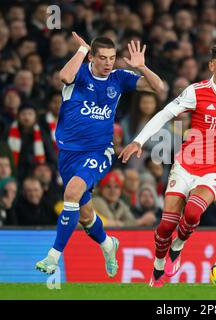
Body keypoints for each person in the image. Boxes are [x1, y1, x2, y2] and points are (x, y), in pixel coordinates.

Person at [119, 41, 216, 286]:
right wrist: (138, 141)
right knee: (166, 225)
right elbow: (164, 114)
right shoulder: (196, 91)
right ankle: (159, 266)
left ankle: (178, 248)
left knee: (192, 212)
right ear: (212, 66)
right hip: (186, 164)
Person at [35, 32, 164, 277]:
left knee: (71, 192)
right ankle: (108, 244)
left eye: (112, 58)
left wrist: (142, 67)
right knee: (85, 217)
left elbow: (159, 88)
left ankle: (53, 257)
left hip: (99, 150)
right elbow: (64, 76)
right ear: (91, 57)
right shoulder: (79, 72)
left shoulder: (119, 78)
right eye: (102, 58)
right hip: (68, 153)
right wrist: (81, 50)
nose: (108, 63)